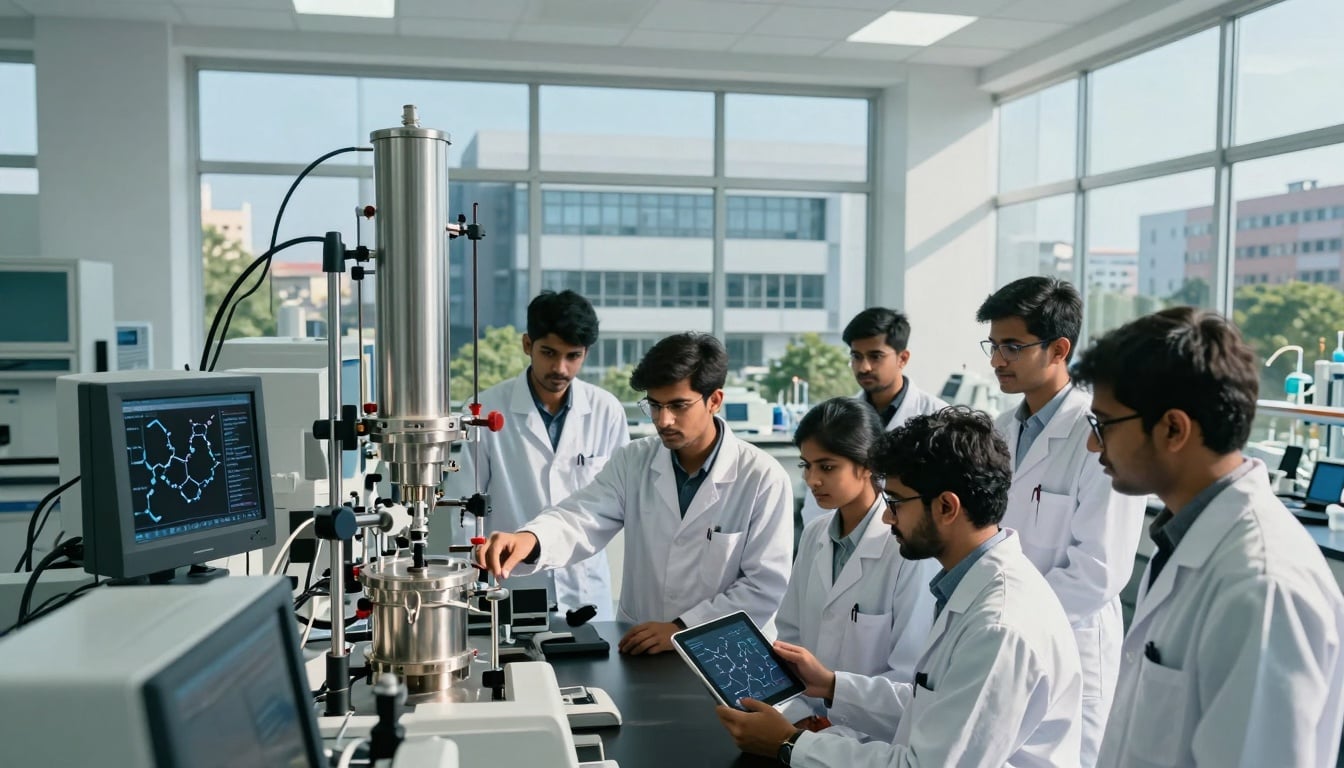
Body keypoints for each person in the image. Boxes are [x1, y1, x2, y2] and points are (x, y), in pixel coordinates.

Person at [716, 406, 1082, 767]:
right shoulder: (975, 587)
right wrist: (831, 685)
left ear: (946, 507)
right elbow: (928, 706)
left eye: (896, 503)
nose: (888, 516)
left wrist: (790, 744)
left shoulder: (998, 626)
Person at [1073, 307, 1344, 768]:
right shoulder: (1188, 541)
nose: (1093, 446)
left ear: (1174, 428)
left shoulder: (1261, 587)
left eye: (1104, 424)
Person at [476, 332, 794, 655]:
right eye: (654, 405)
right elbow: (582, 516)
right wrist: (531, 540)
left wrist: (681, 630)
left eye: (678, 405)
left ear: (714, 400)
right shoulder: (635, 461)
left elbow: (763, 588)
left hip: (728, 655)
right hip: (644, 648)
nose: (663, 420)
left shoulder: (763, 478)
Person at [975, 276, 1145, 767]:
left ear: (1059, 349)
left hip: (1071, 642)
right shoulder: (1001, 431)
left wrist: (1011, 619)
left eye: (1012, 345)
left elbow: (1099, 569)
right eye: (993, 344)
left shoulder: (1097, 435)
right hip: (1001, 636)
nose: (996, 359)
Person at [440, 290, 627, 620]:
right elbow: (464, 507)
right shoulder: (484, 409)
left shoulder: (606, 410)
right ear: (528, 345)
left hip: (584, 587)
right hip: (511, 584)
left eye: (573, 356)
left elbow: (616, 501)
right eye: (549, 353)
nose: (560, 368)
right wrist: (479, 567)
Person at [775, 398, 937, 735]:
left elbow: (909, 674)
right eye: (806, 465)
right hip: (805, 725)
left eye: (827, 467)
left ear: (867, 464)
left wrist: (831, 721)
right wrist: (802, 718)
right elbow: (790, 636)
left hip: (874, 739)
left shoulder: (907, 549)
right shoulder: (816, 534)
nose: (812, 479)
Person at [800, 308, 947, 527]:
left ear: (903, 358)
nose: (864, 367)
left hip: (915, 543)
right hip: (843, 538)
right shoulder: (838, 419)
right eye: (856, 357)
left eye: (875, 356)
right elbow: (815, 503)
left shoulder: (939, 419)